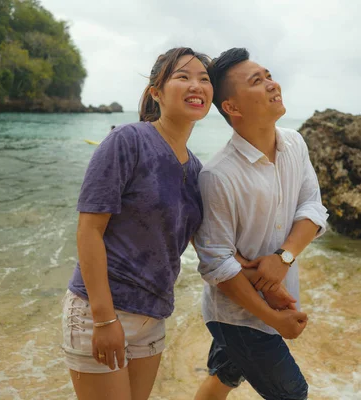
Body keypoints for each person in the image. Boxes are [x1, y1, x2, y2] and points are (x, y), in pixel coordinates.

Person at [61, 47, 212, 400]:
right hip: (99, 311)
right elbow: (89, 231)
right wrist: (103, 319)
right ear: (155, 92)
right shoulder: (128, 141)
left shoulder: (196, 171)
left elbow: (205, 245)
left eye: (204, 79)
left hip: (153, 317)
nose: (197, 85)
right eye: (183, 76)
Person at [193, 48, 329, 400]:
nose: (272, 85)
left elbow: (312, 207)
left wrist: (282, 257)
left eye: (269, 76)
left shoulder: (294, 143)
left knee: (224, 377)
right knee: (292, 393)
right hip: (238, 316)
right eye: (257, 81)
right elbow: (217, 265)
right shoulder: (218, 176)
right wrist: (273, 318)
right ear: (232, 107)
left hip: (271, 301)